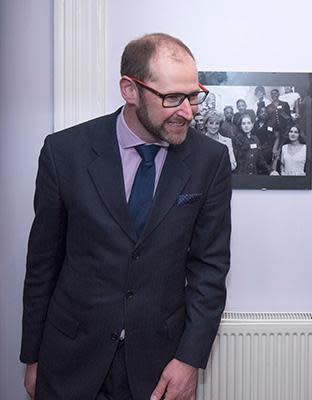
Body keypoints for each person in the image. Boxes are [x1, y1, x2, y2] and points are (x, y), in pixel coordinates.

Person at [20, 33, 232, 400]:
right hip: (69, 359)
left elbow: (209, 269)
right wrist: (33, 357)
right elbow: (42, 264)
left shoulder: (209, 161)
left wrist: (189, 360)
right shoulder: (63, 152)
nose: (188, 111)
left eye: (194, 95)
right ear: (130, 90)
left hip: (159, 366)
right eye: (172, 98)